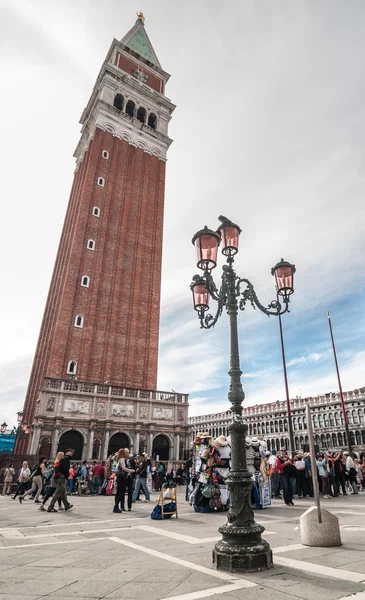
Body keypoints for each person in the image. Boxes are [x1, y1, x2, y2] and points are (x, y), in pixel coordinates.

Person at [114, 448, 135, 513]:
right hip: (122, 478)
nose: (127, 453)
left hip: (120, 477)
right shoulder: (122, 459)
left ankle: (116, 506)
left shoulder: (119, 459)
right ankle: (116, 506)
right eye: (126, 452)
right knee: (121, 492)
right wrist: (131, 470)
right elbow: (124, 468)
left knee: (119, 492)